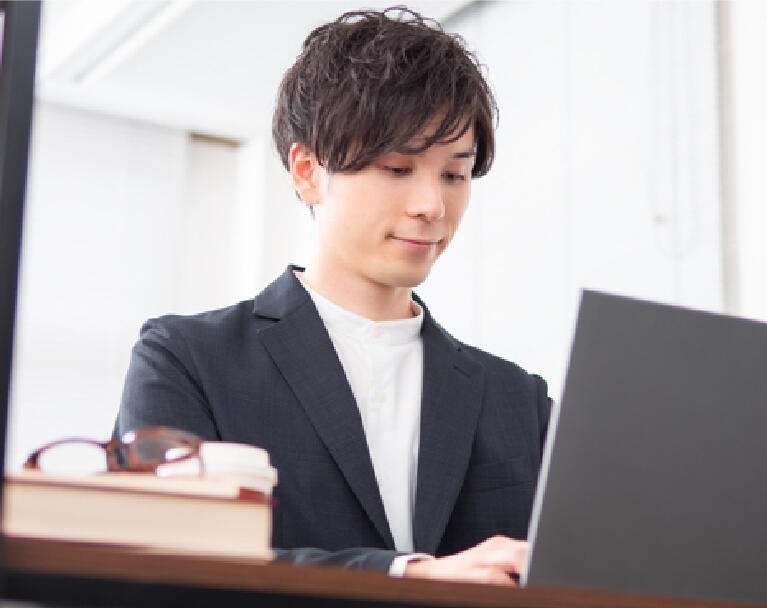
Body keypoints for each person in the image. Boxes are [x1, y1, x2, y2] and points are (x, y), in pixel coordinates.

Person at [115, 7, 551, 586]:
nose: (432, 206)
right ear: (307, 170)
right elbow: (162, 563)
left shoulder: (519, 400)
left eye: (454, 175)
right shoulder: (188, 359)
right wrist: (411, 577)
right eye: (397, 168)